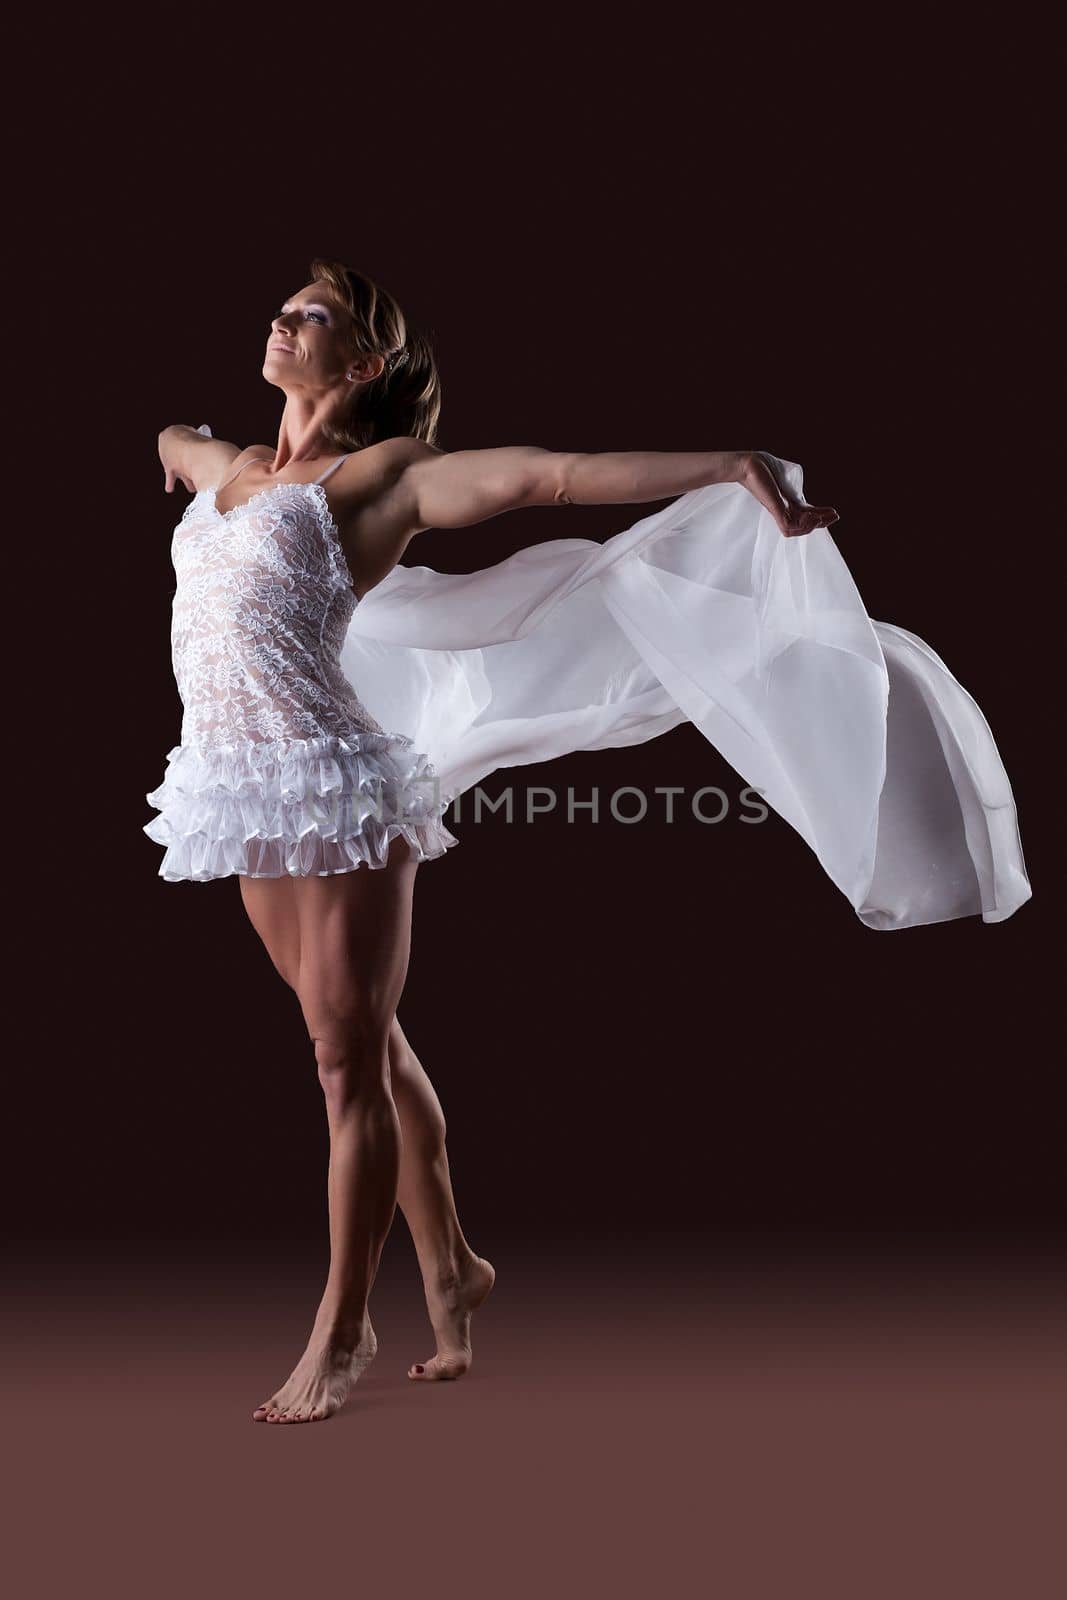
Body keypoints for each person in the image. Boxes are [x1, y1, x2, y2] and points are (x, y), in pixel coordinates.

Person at [147, 259, 1030, 1424]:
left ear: (363, 365)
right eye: (283, 305)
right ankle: (456, 1268)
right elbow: (174, 442)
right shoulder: (231, 471)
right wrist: (182, 444)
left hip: (336, 781)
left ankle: (343, 1327)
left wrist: (725, 464)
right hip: (237, 785)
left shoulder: (384, 481)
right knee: (355, 1035)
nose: (282, 319)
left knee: (339, 1060)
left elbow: (549, 477)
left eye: (314, 315)